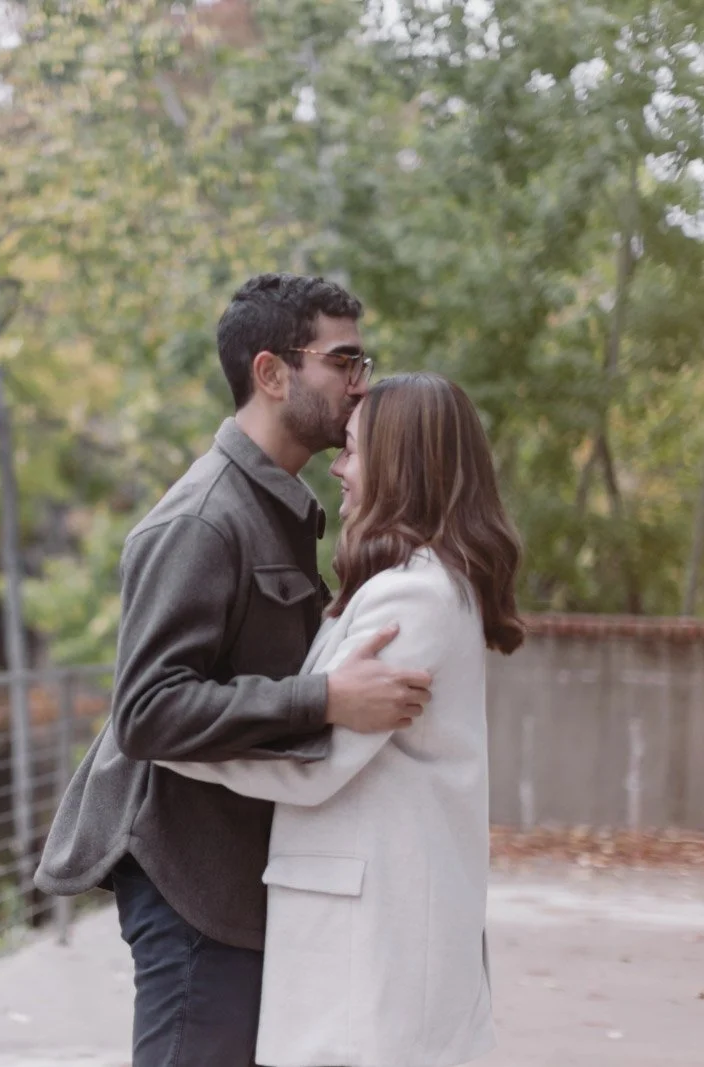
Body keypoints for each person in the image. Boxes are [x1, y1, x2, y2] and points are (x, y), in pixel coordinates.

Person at [34, 274, 435, 1067]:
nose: (363, 384)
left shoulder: (282, 507)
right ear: (272, 373)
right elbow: (146, 710)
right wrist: (324, 698)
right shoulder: (201, 518)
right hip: (191, 880)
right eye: (345, 361)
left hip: (243, 877)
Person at [160, 372, 525, 1067]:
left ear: (400, 464)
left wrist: (171, 738)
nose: (338, 467)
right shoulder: (413, 583)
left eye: (353, 451)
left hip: (375, 941)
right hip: (374, 931)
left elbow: (315, 763)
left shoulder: (414, 595)